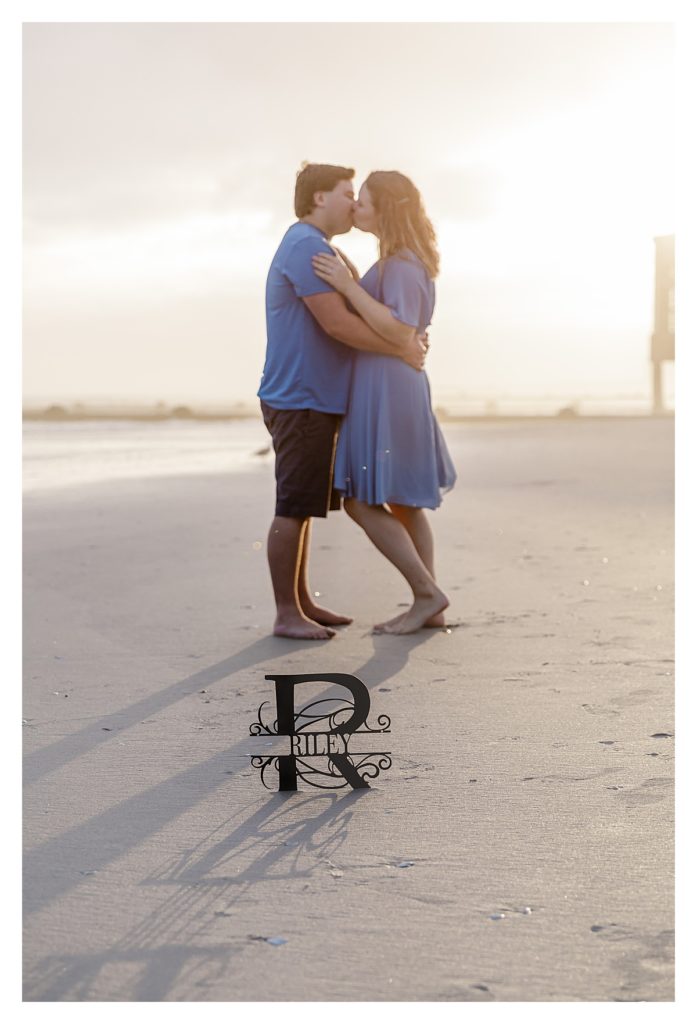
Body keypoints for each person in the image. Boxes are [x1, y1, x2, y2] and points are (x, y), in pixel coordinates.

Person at [258, 163, 428, 640]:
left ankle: (302, 601)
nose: (354, 203)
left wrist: (402, 338)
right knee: (292, 505)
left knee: (305, 503)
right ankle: (286, 612)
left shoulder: (323, 248)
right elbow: (337, 324)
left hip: (318, 396)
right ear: (319, 199)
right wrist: (401, 346)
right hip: (300, 396)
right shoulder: (306, 247)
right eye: (347, 193)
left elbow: (362, 316)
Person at [312, 170, 456, 634]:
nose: (355, 208)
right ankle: (428, 602)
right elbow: (404, 330)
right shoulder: (400, 260)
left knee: (359, 499)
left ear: (385, 210)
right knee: (402, 504)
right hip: (391, 382)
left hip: (388, 387)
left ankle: (426, 593)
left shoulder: (403, 264)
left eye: (364, 201)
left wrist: (348, 287)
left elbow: (398, 329)